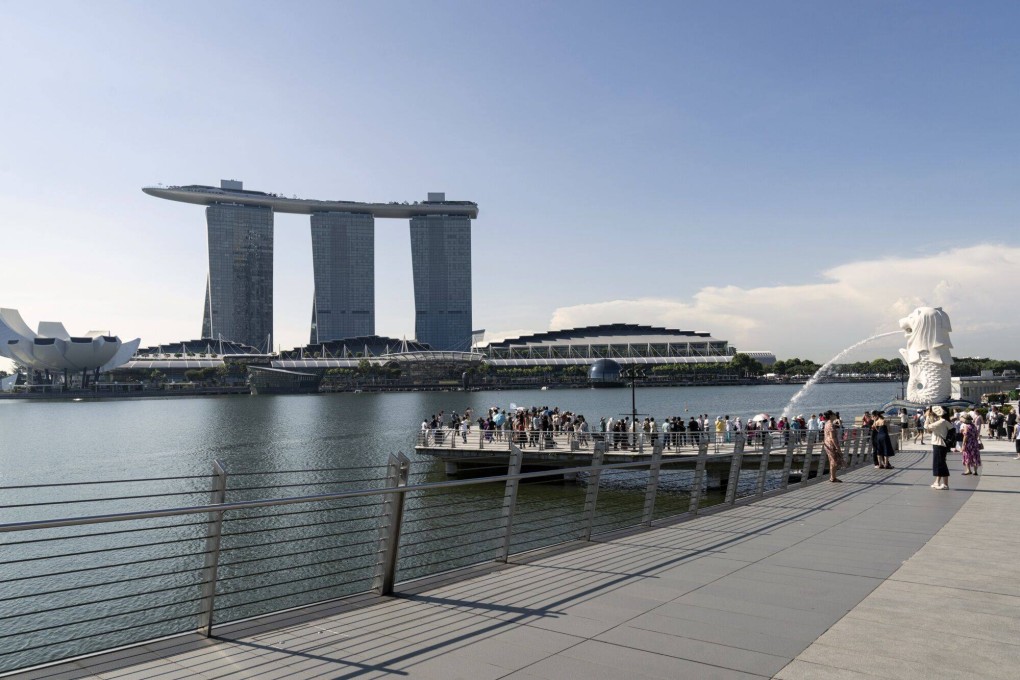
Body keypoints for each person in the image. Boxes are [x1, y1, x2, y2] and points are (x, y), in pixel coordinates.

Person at [924, 405, 952, 490]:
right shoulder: (945, 421)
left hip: (939, 444)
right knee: (940, 463)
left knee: (941, 464)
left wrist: (927, 417)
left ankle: (945, 484)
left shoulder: (941, 422)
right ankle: (937, 482)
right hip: (941, 444)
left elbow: (926, 426)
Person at [822, 410, 844, 482]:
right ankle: (832, 478)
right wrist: (837, 447)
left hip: (827, 443)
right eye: (834, 414)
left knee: (831, 461)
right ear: (831, 416)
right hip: (831, 444)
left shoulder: (827, 423)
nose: (835, 415)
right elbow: (832, 437)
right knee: (834, 461)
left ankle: (833, 477)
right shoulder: (831, 425)